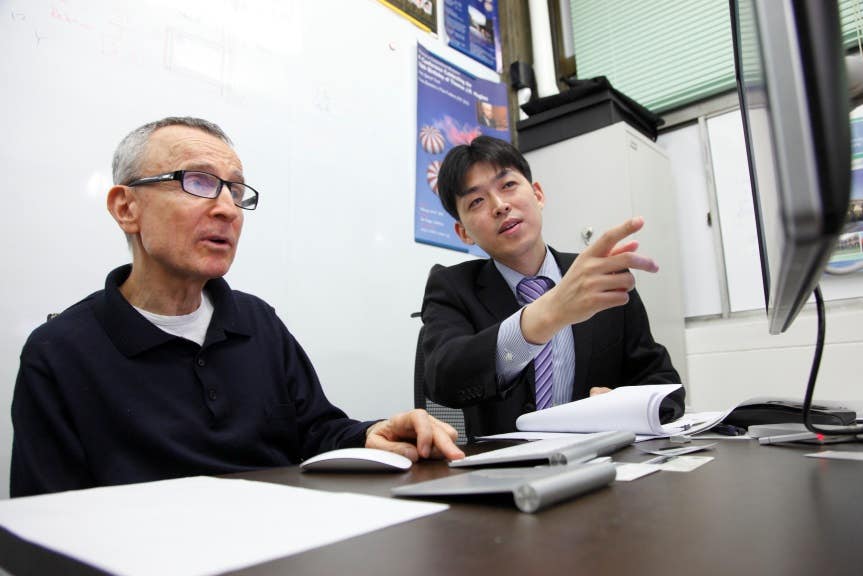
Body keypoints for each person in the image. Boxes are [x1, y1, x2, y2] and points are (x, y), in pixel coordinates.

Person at [10, 117, 464, 497]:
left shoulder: (257, 322)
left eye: (236, 190)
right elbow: (47, 522)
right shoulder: (59, 353)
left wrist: (371, 433)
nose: (228, 209)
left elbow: (315, 431)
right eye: (198, 182)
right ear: (126, 207)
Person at [421, 135, 683, 439]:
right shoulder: (452, 287)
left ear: (538, 195)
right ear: (463, 232)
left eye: (508, 185)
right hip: (505, 473)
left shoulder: (600, 277)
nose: (500, 206)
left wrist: (624, 406)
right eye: (476, 201)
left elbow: (663, 384)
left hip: (602, 465)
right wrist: (546, 315)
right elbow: (443, 381)